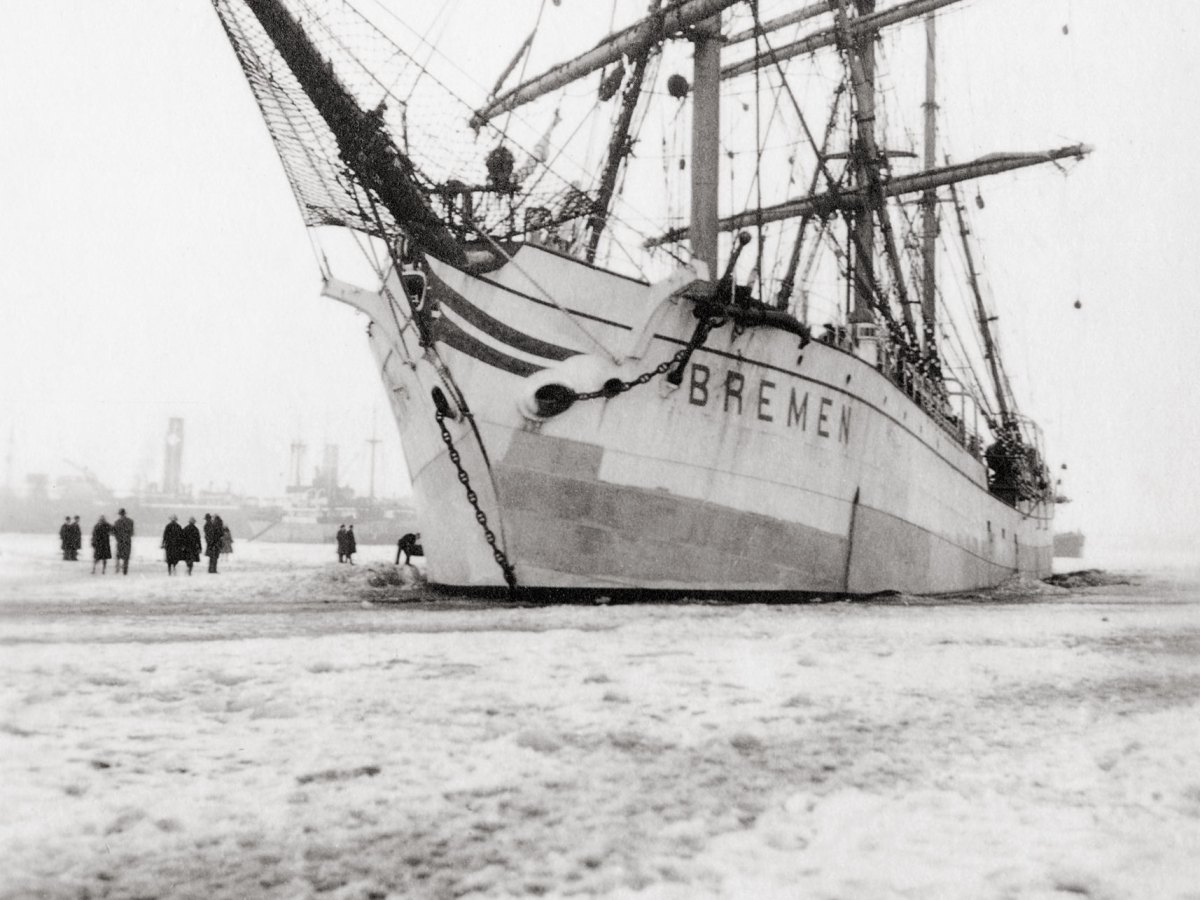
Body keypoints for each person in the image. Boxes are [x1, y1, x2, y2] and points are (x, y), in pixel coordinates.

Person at [112, 508, 135, 575]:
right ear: (125, 513)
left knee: (118, 555)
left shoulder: (117, 522)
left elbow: (114, 532)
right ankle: (125, 570)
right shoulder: (130, 521)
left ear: (119, 514)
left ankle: (117, 567)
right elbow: (132, 533)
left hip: (120, 541)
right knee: (126, 556)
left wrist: (118, 538)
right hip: (127, 541)